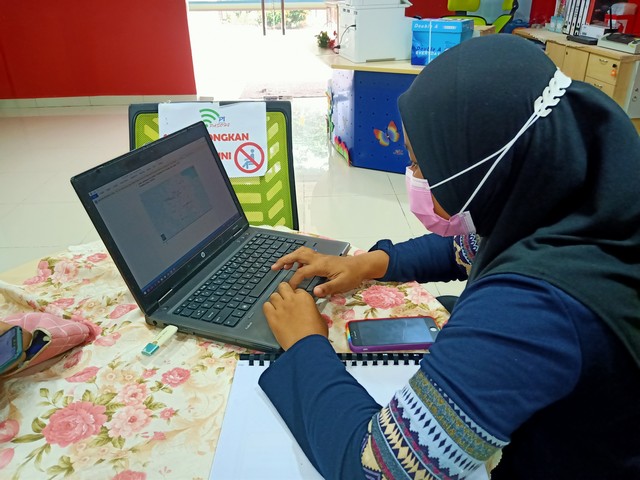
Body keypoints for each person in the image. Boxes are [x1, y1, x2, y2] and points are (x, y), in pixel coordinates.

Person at [259, 34, 640, 479]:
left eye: (420, 164)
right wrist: (364, 264)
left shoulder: (531, 307)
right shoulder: (577, 193)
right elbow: (467, 249)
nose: (413, 177)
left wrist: (305, 344)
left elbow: (376, 470)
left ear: (482, 166)